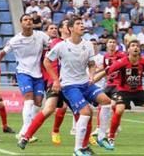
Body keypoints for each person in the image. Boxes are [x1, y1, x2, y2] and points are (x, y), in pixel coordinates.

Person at [19, 17, 113, 155]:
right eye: (78, 24)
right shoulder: (60, 45)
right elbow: (46, 61)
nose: (82, 25)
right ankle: (27, 137)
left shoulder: (87, 44)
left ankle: (98, 138)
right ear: (69, 28)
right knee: (55, 110)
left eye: (82, 23)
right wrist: (55, 80)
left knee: (104, 102)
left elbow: (91, 64)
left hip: (83, 83)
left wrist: (92, 75)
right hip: (67, 85)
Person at [94, 40, 144, 147]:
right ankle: (111, 137)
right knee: (119, 109)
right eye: (132, 45)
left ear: (139, 49)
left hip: (138, 91)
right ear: (128, 49)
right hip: (123, 90)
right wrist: (92, 81)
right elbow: (106, 71)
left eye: (137, 45)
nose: (135, 47)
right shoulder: (121, 62)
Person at [0, 14, 50, 143]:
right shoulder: (15, 40)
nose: (28, 22)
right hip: (23, 72)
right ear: (21, 23)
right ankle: (26, 133)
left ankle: (25, 130)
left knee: (38, 102)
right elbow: (1, 54)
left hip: (38, 74)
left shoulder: (41, 36)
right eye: (25, 20)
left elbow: (52, 46)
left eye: (30, 20)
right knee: (28, 99)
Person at [90, 37, 126, 142]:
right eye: (110, 42)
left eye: (114, 42)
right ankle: (98, 127)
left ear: (116, 44)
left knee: (115, 105)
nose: (112, 44)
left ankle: (116, 125)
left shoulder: (122, 55)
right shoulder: (105, 56)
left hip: (119, 84)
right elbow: (107, 69)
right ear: (107, 44)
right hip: (109, 84)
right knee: (102, 103)